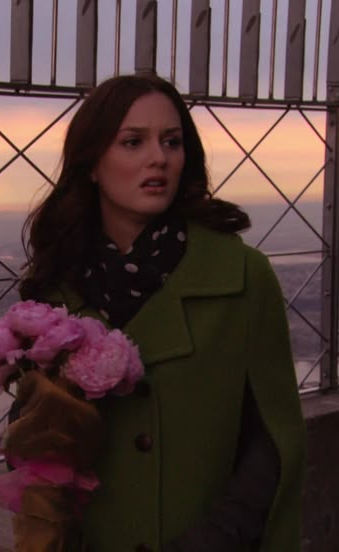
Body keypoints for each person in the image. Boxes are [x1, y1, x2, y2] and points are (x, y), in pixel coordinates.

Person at [16, 74, 306, 551]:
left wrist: (213, 540)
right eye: (133, 142)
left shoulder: (243, 275)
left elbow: (273, 439)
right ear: (92, 163)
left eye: (172, 142)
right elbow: (35, 443)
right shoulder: (56, 287)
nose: (159, 158)